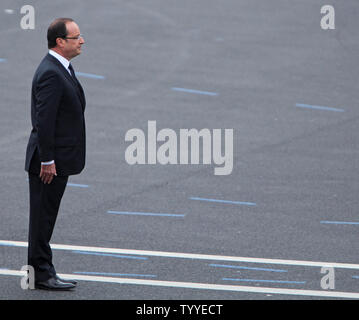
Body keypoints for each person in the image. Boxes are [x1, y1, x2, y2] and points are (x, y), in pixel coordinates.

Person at [24, 18, 86, 290]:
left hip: (55, 159)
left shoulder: (62, 68)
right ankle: (40, 273)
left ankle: (43, 270)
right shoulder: (51, 72)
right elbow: (44, 121)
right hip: (48, 163)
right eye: (76, 37)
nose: (82, 40)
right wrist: (47, 160)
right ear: (60, 42)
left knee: (45, 217)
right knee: (42, 218)